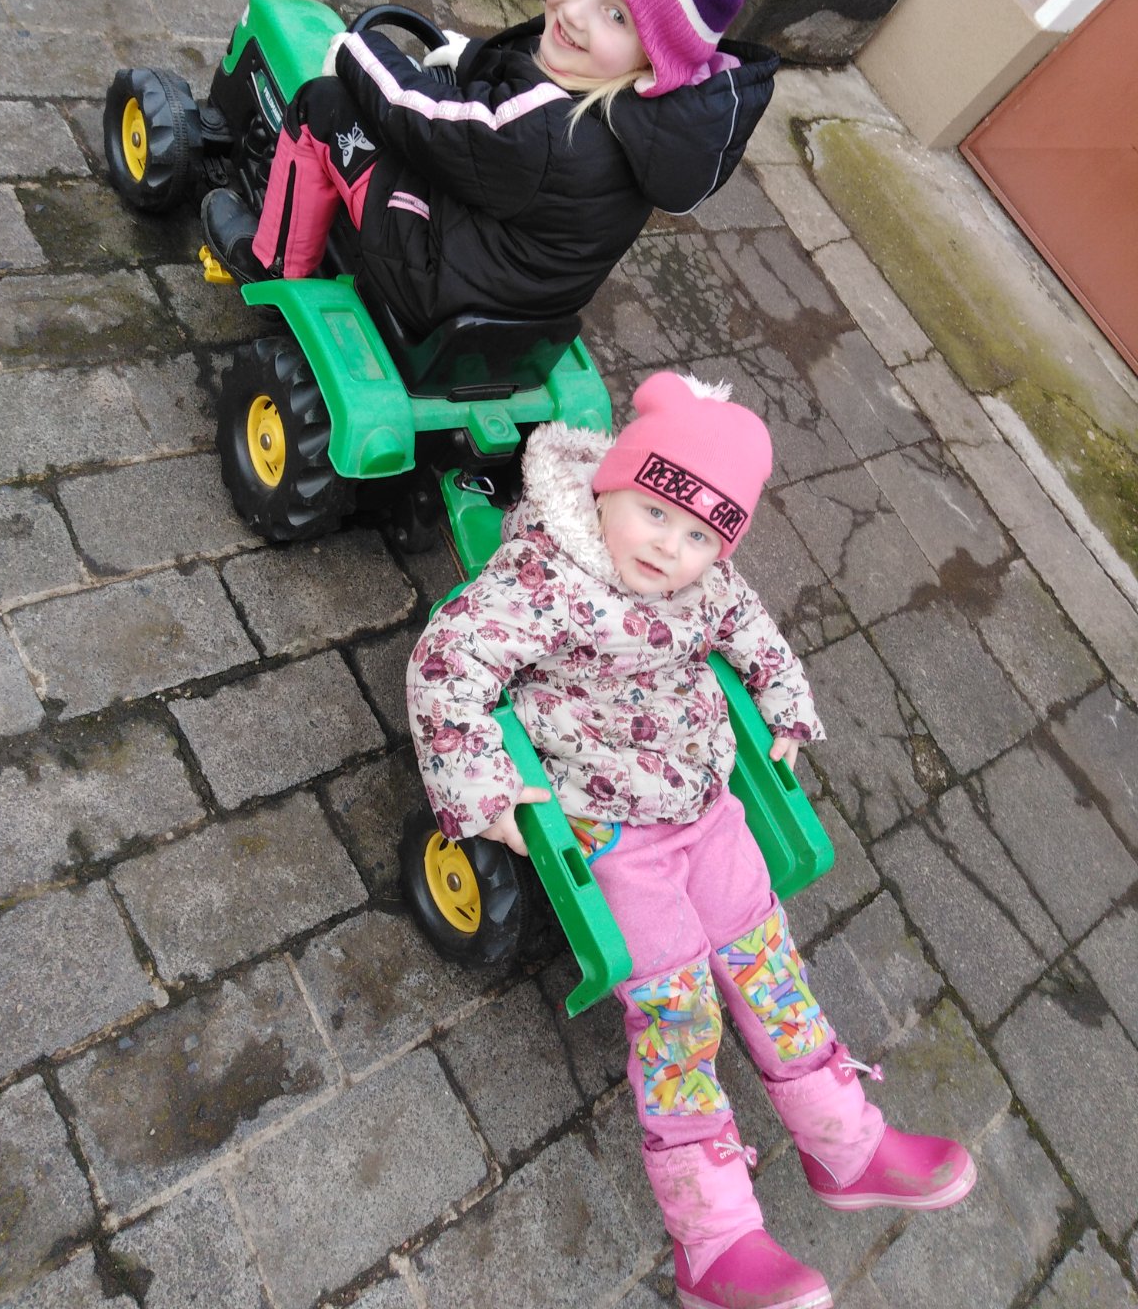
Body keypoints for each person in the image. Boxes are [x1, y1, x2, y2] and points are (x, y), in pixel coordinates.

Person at [406, 372, 976, 1309]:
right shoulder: (546, 577)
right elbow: (446, 659)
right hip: (609, 826)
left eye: (701, 536)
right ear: (608, 489)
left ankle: (846, 1142)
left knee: (769, 965)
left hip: (704, 806)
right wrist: (483, 791)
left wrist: (785, 700)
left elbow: (754, 628)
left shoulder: (704, 584)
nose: (671, 549)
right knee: (678, 1015)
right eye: (654, 515)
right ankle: (712, 1243)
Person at [202, 0, 778, 338]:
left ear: (657, 59)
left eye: (617, 15)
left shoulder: (549, 133)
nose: (575, 12)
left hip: (435, 276)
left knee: (325, 108)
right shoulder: (640, 119)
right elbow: (522, 83)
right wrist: (471, 55)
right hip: (507, 287)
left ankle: (273, 267)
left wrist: (357, 52)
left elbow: (419, 112)